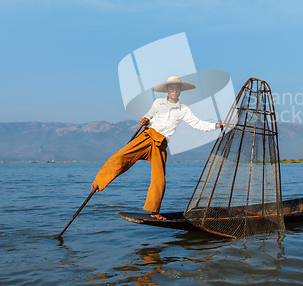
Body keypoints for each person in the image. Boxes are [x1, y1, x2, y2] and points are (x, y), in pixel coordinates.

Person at [91, 76, 225, 220]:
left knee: (159, 179)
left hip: (160, 144)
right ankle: (99, 180)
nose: (174, 90)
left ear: (180, 91)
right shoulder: (158, 103)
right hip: (147, 136)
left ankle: (154, 211)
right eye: (172, 88)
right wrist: (144, 120)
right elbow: (147, 117)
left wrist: (217, 125)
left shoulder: (183, 109)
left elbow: (198, 124)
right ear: (167, 90)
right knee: (121, 156)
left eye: (177, 88)